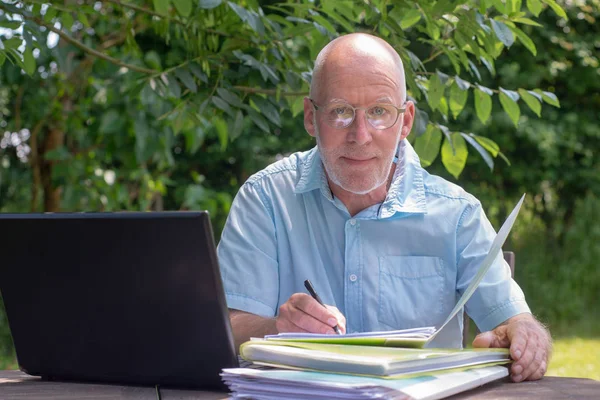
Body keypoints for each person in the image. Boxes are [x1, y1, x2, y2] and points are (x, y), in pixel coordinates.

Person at [217, 33, 551, 382]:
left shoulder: (457, 216)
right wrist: (278, 327)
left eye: (379, 111)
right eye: (340, 112)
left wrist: (523, 340)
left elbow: (514, 321)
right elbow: (230, 325)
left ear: (406, 120)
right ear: (310, 118)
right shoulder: (266, 198)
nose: (360, 135)